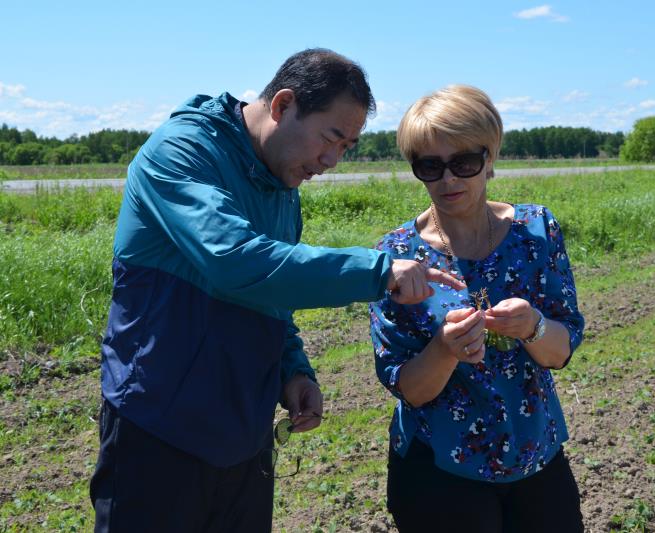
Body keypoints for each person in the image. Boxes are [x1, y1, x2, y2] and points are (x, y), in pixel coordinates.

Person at [89, 48, 463, 532]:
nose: (330, 161)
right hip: (159, 428)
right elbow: (235, 261)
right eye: (329, 138)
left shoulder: (282, 189)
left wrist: (293, 371)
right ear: (284, 105)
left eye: (346, 147)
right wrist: (378, 271)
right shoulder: (182, 152)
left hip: (244, 437)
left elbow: (271, 291)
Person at [369, 85, 585, 532]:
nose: (448, 180)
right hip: (439, 469)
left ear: (490, 158)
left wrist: (533, 326)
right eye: (430, 166)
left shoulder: (536, 231)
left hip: (535, 456)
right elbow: (408, 387)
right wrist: (444, 350)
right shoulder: (397, 256)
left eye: (463, 162)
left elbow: (561, 351)